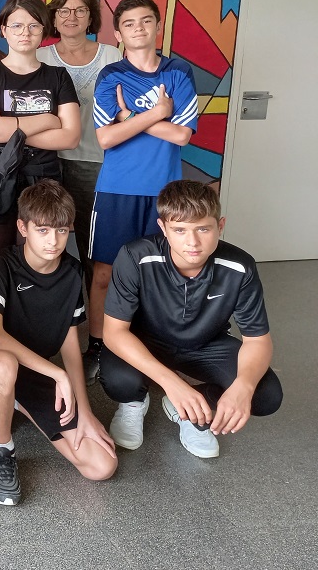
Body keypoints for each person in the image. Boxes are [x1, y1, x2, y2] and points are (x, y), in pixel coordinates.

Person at [101, 180, 282, 459]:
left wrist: (243, 387)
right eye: (180, 230)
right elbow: (114, 332)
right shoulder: (135, 256)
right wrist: (172, 383)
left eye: (203, 229)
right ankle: (135, 402)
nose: (193, 242)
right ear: (163, 228)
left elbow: (257, 340)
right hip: (146, 341)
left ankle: (192, 410)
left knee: (266, 394)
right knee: (120, 381)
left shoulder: (240, 266)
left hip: (205, 345)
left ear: (220, 226)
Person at [0, 180, 116, 509]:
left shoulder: (72, 272)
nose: (53, 241)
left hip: (37, 369)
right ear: (23, 228)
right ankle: (2, 449)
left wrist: (85, 411)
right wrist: (58, 375)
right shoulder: (2, 264)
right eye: (43, 230)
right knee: (3, 365)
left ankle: (9, 402)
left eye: (61, 230)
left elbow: (69, 344)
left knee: (102, 465)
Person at [87, 0, 198, 384]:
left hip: (164, 193)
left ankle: (153, 344)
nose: (138, 28)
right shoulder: (111, 76)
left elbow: (182, 135)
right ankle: (98, 345)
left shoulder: (178, 72)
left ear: (157, 27)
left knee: (161, 272)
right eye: (129, 23)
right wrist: (157, 113)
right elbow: (106, 138)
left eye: (146, 21)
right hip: (116, 190)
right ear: (118, 34)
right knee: (104, 272)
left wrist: (128, 116)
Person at [0, 0, 80, 276]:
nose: (25, 32)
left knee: (37, 265)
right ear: (4, 30)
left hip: (42, 180)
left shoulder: (58, 76)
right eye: (16, 25)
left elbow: (70, 137)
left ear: (43, 29)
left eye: (33, 25)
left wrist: (8, 132)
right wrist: (47, 120)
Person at [36, 0, 122, 305]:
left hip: (94, 161)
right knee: (45, 240)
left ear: (91, 18)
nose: (71, 17)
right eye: (63, 11)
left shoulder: (111, 56)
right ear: (54, 17)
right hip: (46, 160)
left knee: (91, 246)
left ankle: (96, 320)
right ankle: (52, 312)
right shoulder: (40, 57)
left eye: (80, 10)